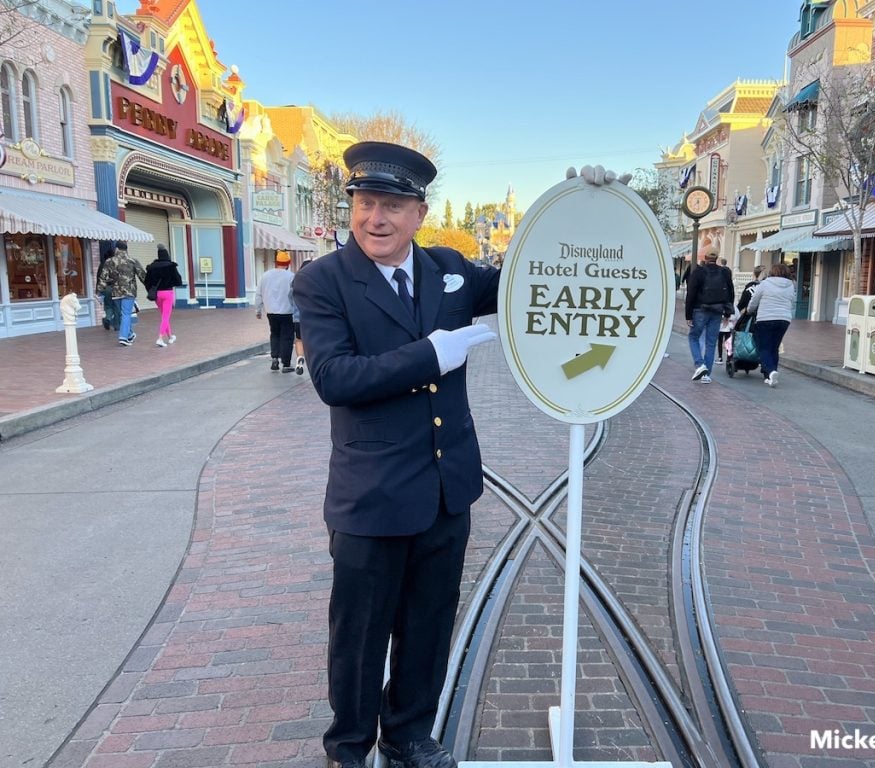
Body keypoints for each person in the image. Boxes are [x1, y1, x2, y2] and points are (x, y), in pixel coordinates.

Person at [293, 141, 627, 768]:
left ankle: (410, 735)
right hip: (372, 496)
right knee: (360, 637)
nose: (376, 219)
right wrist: (433, 354)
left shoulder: (449, 269)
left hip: (447, 490)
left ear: (420, 212)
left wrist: (585, 209)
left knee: (427, 626)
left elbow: (535, 276)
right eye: (366, 204)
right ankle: (348, 747)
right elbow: (334, 378)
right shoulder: (324, 281)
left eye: (392, 205)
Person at [684, 248, 734, 383]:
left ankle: (700, 365)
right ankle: (706, 375)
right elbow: (730, 292)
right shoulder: (724, 272)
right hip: (717, 310)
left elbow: (691, 294)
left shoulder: (698, 272)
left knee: (693, 337)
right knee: (711, 342)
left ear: (705, 257)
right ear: (716, 258)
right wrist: (728, 313)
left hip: (700, 309)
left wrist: (688, 315)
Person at [743, 261, 796, 388]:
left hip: (765, 318)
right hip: (784, 319)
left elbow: (754, 300)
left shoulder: (765, 284)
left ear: (772, 272)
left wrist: (749, 311)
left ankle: (771, 371)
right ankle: (770, 376)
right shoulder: (791, 285)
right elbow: (792, 302)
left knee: (763, 347)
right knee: (774, 347)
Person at [96, 240, 145, 346]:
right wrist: (150, 287)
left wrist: (100, 291)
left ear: (117, 249)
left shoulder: (109, 261)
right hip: (129, 292)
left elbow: (103, 277)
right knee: (126, 314)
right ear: (126, 250)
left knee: (123, 314)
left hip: (116, 293)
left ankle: (130, 334)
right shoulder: (133, 261)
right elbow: (143, 276)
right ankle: (123, 337)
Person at [255, 250, 296, 372]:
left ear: (276, 263)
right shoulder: (291, 276)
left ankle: (274, 359)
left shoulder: (265, 275)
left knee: (275, 334)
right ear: (288, 263)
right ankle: (286, 363)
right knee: (287, 337)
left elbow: (259, 294)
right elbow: (295, 294)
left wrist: (258, 310)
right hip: (287, 311)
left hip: (271, 312)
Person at [143, 245, 184, 347]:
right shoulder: (171, 266)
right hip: (167, 293)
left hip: (157, 294)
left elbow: (146, 281)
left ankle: (170, 337)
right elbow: (178, 281)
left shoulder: (152, 267)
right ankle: (160, 338)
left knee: (164, 317)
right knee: (166, 316)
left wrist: (151, 290)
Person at [293, 258, 312, 375]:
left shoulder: (295, 282)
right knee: (311, 341)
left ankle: (300, 358)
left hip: (297, 318)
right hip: (311, 318)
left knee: (299, 339)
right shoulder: (316, 283)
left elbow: (290, 300)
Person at [95, 246, 121, 331]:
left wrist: (98, 290)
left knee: (108, 306)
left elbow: (99, 277)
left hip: (105, 288)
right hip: (115, 288)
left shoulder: (102, 264)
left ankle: (108, 318)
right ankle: (117, 325)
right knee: (117, 307)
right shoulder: (116, 264)